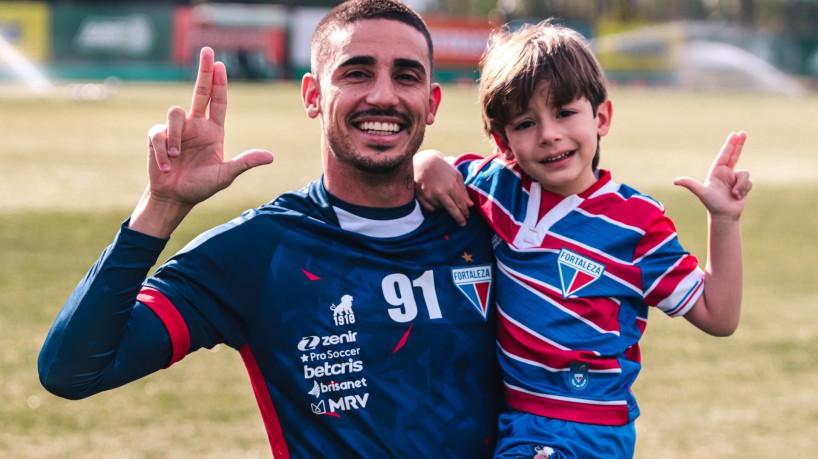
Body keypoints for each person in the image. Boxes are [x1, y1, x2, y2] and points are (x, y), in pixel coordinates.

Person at [38, 1, 501, 457]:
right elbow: (71, 370)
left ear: (432, 101)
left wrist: (434, 160)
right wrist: (161, 206)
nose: (383, 95)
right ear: (312, 96)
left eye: (406, 76)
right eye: (356, 73)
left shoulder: (488, 221)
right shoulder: (261, 250)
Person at [414, 20, 752, 458]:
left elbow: (718, 315)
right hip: (513, 417)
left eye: (565, 112)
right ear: (503, 141)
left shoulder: (635, 224)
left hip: (586, 426)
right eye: (526, 122)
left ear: (602, 117)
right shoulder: (493, 185)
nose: (549, 133)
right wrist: (426, 161)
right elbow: (429, 173)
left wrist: (723, 220)